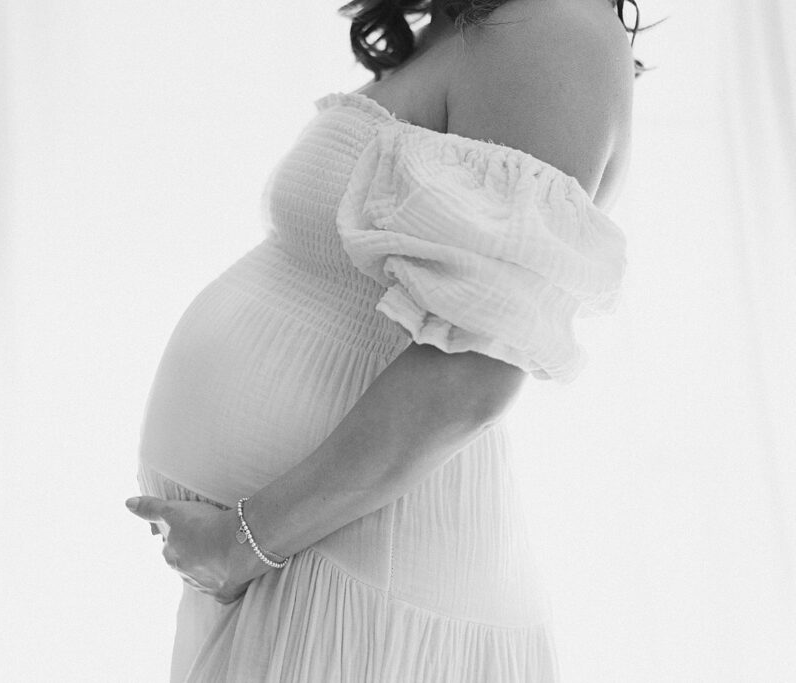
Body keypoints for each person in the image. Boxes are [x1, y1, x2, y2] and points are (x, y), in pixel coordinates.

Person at [127, 0, 640, 679]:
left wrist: (247, 542)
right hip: (306, 561)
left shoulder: (557, 30)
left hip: (351, 575)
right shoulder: (462, 28)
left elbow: (474, 374)